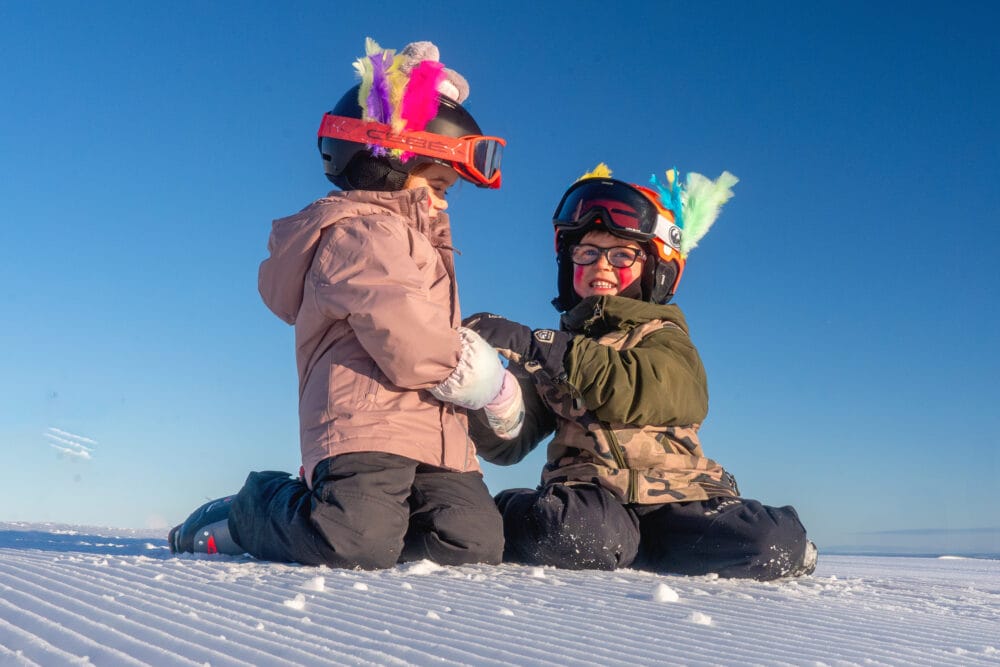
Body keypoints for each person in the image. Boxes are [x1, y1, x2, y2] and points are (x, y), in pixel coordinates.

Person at [168, 39, 525, 569]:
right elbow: (411, 344)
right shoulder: (363, 234)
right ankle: (253, 509)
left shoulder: (420, 242)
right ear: (388, 163)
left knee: (472, 544)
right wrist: (489, 382)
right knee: (355, 539)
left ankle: (384, 528)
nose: (443, 202)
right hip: (366, 425)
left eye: (447, 191)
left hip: (439, 435)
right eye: (438, 184)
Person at [465, 163, 818, 580]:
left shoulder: (665, 337)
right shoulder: (551, 356)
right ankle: (508, 516)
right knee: (576, 535)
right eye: (587, 252)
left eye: (622, 254)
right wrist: (491, 390)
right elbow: (508, 445)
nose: (601, 265)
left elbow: (650, 389)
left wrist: (539, 345)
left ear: (656, 269)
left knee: (771, 543)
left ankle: (654, 544)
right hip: (591, 495)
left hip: (680, 495)